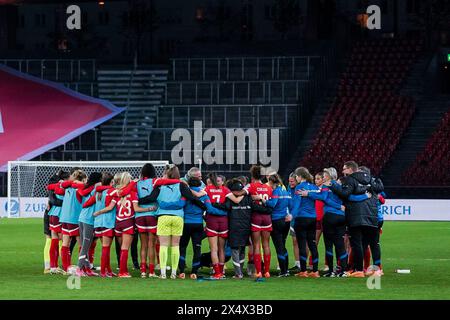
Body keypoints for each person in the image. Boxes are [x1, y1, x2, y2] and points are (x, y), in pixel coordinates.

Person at [138, 164, 207, 279]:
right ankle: (174, 273)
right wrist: (203, 206)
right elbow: (192, 198)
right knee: (175, 246)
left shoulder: (160, 186)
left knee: (163, 245)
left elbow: (150, 198)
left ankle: (163, 273)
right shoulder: (181, 185)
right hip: (178, 218)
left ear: (167, 174)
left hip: (163, 217)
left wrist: (137, 201)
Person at [95, 172, 156, 278]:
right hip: (128, 223)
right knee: (125, 248)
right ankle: (123, 272)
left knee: (120, 248)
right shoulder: (132, 193)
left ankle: (115, 270)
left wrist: (98, 212)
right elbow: (136, 209)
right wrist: (149, 209)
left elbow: (109, 207)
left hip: (118, 223)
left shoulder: (117, 193)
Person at [328, 161, 382, 278]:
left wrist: (333, 185)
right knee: (373, 243)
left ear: (351, 169)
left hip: (356, 216)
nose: (343, 172)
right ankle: (377, 270)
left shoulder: (351, 180)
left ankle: (359, 269)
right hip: (372, 216)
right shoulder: (371, 180)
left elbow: (345, 194)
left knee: (357, 243)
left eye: (344, 169)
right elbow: (380, 190)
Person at [214, 179, 272, 279]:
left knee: (235, 250)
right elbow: (259, 208)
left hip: (234, 228)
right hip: (246, 228)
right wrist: (268, 209)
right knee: (242, 250)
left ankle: (238, 273)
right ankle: (242, 271)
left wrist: (214, 204)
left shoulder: (230, 199)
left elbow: (225, 207)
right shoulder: (249, 198)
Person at [299, 167, 351, 277]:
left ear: (328, 176)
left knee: (328, 245)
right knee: (340, 245)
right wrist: (341, 207)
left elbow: (324, 198)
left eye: (324, 175)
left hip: (330, 216)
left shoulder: (327, 185)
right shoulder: (340, 185)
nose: (323, 177)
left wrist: (308, 193)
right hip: (342, 217)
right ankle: (343, 271)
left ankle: (331, 271)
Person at [180, 175, 226, 279]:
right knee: (197, 249)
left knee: (182, 247)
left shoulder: (185, 194)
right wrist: (224, 212)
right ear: (200, 184)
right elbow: (210, 209)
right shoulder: (204, 196)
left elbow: (180, 205)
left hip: (186, 224)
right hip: (198, 224)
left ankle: (182, 271)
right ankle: (194, 272)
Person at [289, 167, 320, 278]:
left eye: (296, 176)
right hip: (313, 218)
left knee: (302, 244)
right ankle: (315, 271)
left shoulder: (299, 187)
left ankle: (303, 271)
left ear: (299, 176)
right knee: (312, 244)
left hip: (301, 219)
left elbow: (296, 205)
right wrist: (310, 194)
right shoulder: (313, 187)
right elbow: (321, 196)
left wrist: (292, 215)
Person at [247, 165, 273, 278]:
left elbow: (246, 197)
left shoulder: (251, 187)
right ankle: (267, 271)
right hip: (267, 217)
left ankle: (258, 272)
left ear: (252, 175)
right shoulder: (268, 188)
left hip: (256, 217)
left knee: (256, 245)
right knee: (266, 244)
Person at [59, 169, 87, 273]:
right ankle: (81, 268)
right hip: (75, 218)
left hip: (64, 218)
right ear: (83, 179)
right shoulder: (79, 188)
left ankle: (66, 268)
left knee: (65, 243)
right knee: (82, 245)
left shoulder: (67, 187)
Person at [204, 172, 231, 279]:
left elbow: (208, 207)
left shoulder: (207, 189)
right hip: (224, 221)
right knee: (221, 249)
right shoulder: (226, 190)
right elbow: (229, 206)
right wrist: (223, 213)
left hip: (212, 220)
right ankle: (222, 272)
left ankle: (217, 273)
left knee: (214, 249)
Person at [75, 172, 103, 277]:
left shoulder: (87, 188)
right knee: (86, 245)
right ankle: (78, 268)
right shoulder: (97, 188)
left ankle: (87, 269)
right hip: (89, 219)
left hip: (82, 217)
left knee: (85, 244)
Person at [264, 174, 291, 277]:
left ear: (271, 182)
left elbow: (273, 204)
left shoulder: (275, 191)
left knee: (279, 246)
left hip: (276, 220)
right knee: (283, 246)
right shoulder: (285, 191)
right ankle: (286, 270)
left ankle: (283, 271)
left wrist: (264, 200)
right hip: (285, 220)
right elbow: (290, 205)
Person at [91, 172, 117, 277]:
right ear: (111, 182)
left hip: (98, 223)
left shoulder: (97, 192)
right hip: (107, 222)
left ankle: (108, 271)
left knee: (105, 247)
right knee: (106, 248)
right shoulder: (111, 191)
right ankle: (103, 272)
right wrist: (99, 212)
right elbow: (110, 207)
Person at [46, 170, 70, 274]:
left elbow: (49, 188)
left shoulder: (55, 185)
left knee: (54, 239)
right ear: (65, 179)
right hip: (60, 214)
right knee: (64, 240)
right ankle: (66, 267)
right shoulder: (64, 187)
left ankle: (53, 266)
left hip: (52, 214)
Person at [287, 172, 300, 271]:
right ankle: (297, 263)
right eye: (289, 181)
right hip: (292, 219)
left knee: (302, 242)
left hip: (300, 217)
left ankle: (304, 263)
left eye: (292, 181)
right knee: (295, 241)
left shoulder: (299, 189)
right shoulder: (289, 188)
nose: (290, 183)